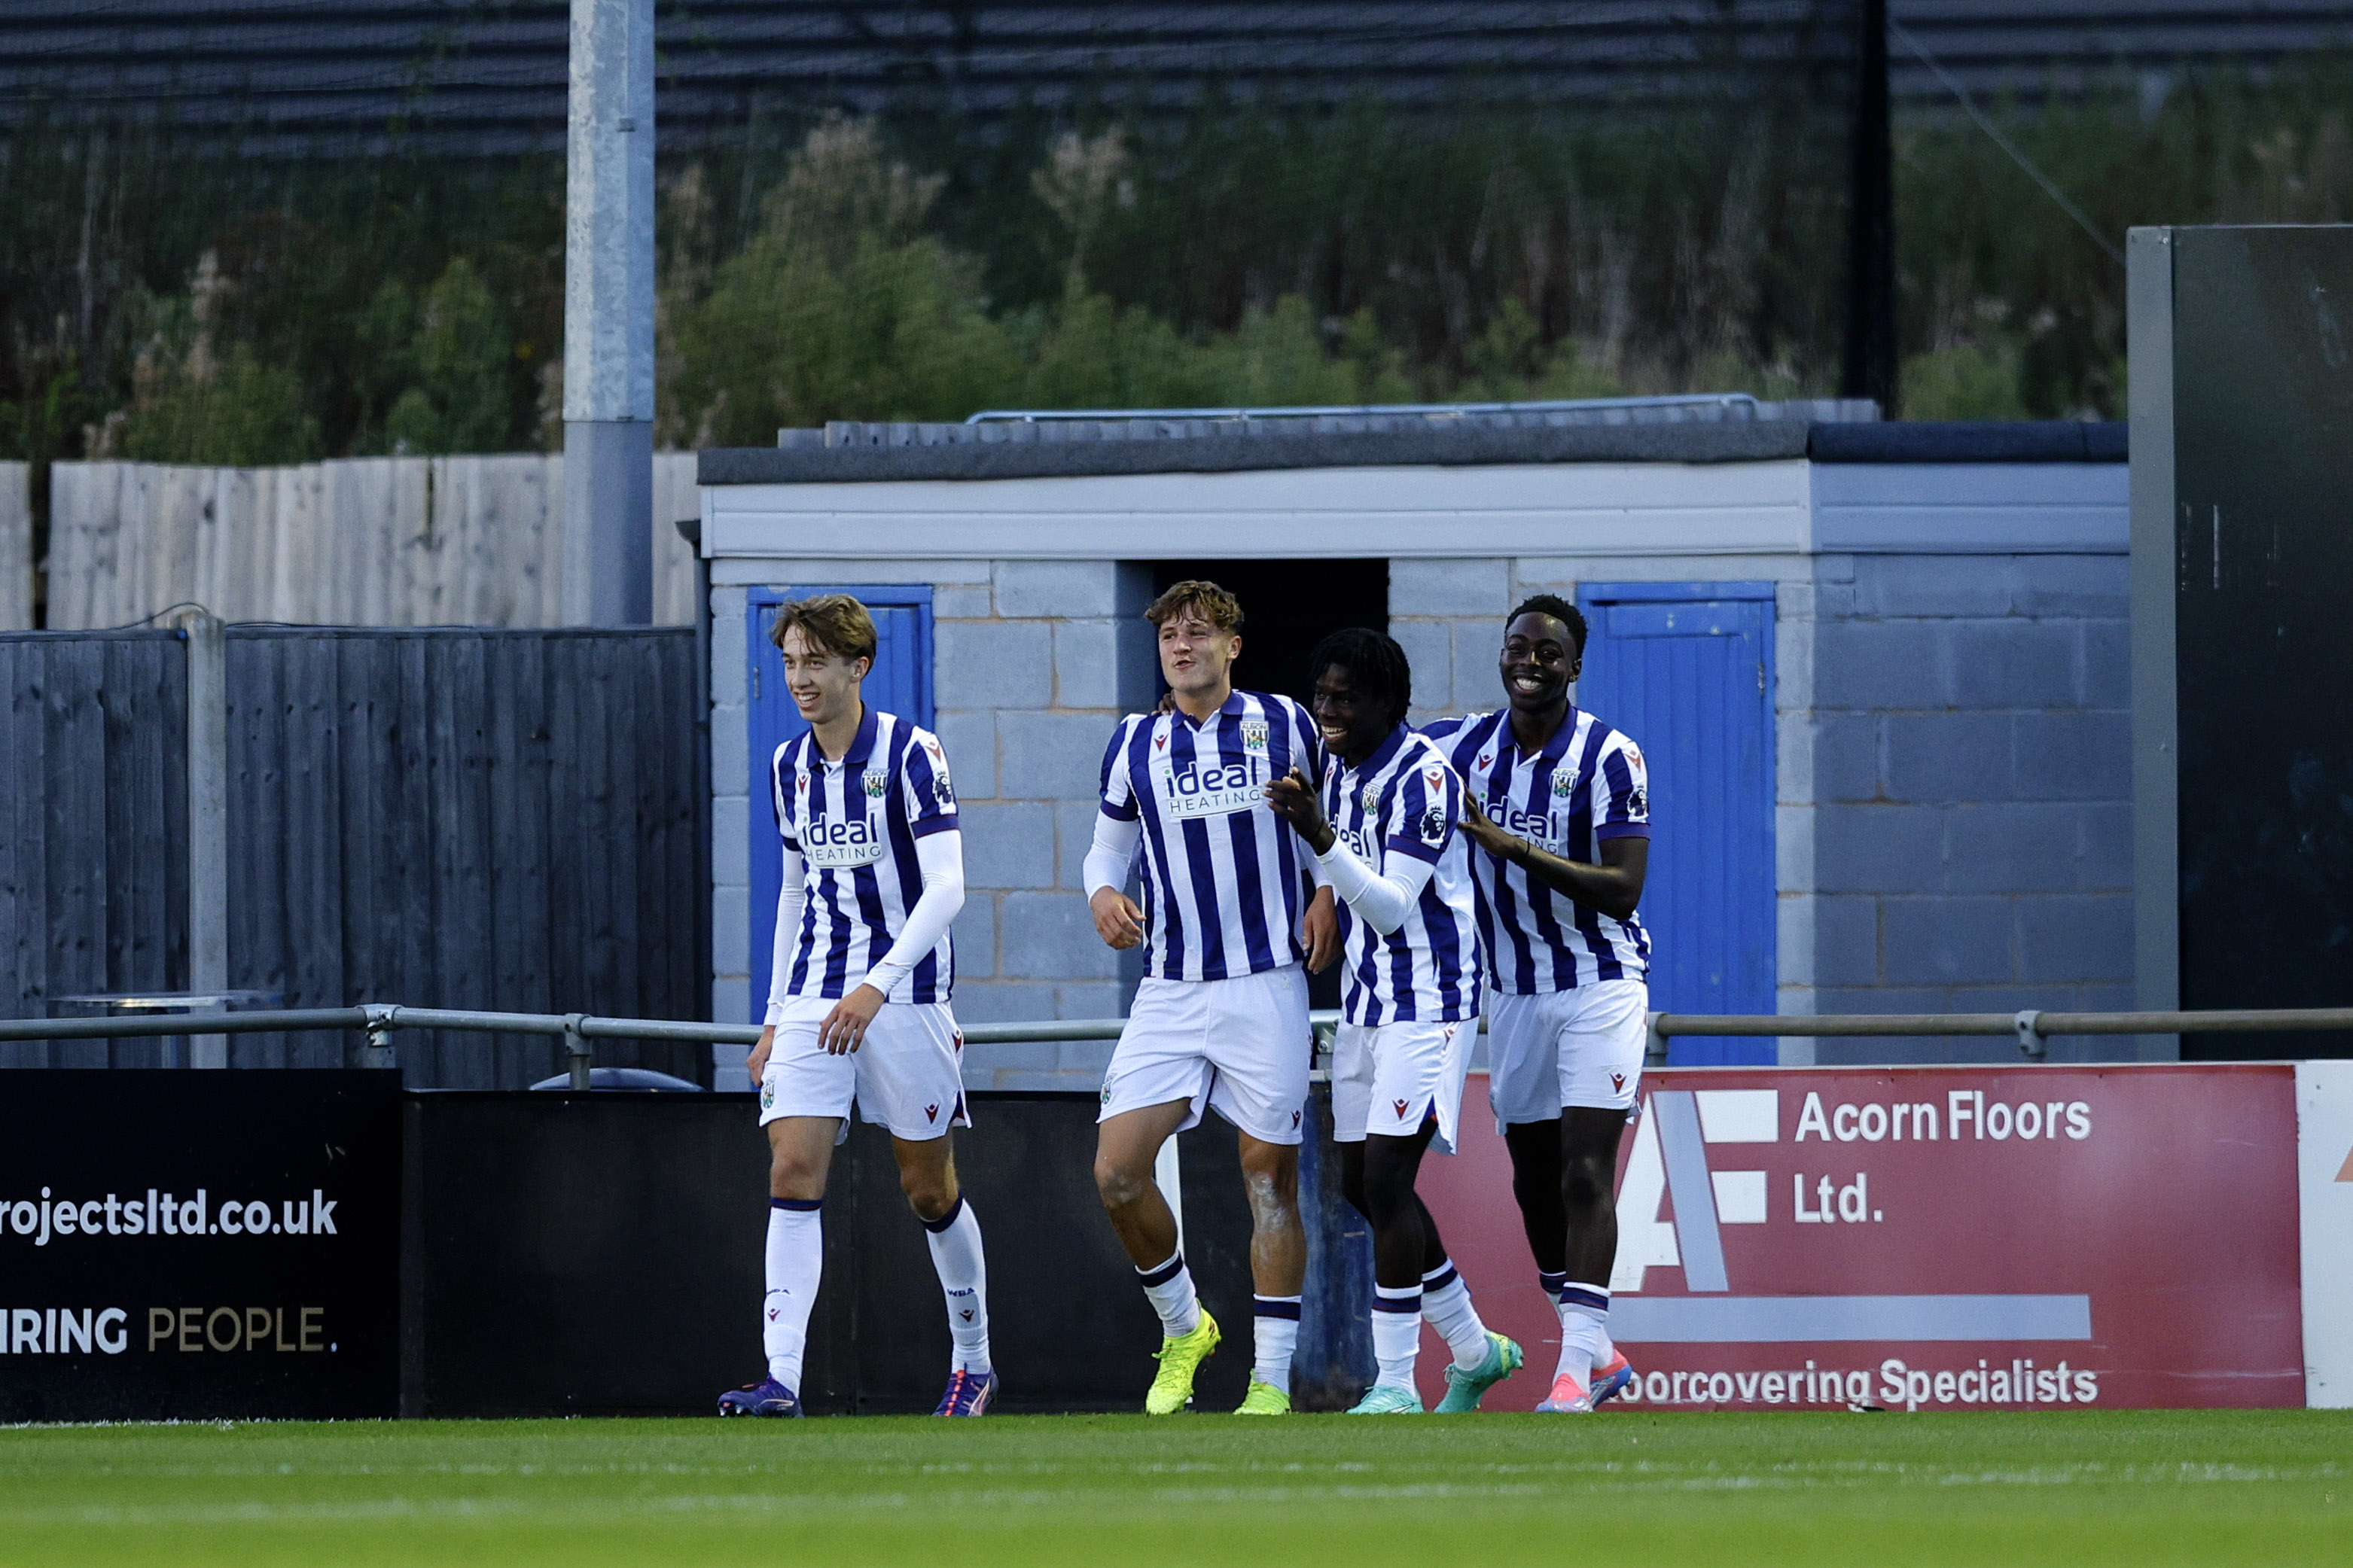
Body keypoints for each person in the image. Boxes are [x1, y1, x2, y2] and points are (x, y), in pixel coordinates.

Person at [718, 594, 995, 1419]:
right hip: (812, 994)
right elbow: (795, 889)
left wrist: (877, 983)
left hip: (903, 993)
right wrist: (775, 1015)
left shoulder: (913, 754)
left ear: (856, 667)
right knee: (792, 1168)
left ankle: (973, 1361)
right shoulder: (784, 766)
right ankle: (782, 1378)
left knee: (927, 1189)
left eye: (815, 663)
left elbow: (947, 886)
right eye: (791, 663)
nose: (799, 679)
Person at [1084, 580, 1340, 1415]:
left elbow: (1336, 824)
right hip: (1169, 987)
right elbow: (1103, 853)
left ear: (1233, 645)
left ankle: (1269, 1378)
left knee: (1266, 1179)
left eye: (1197, 633)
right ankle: (1184, 1323)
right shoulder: (1133, 743)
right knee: (1117, 1172)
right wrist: (1099, 897)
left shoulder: (1287, 724)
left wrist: (1327, 893)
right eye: (1168, 636)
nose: (1180, 646)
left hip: (1265, 981)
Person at [1266, 628, 1521, 1414]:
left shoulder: (1426, 779)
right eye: (1321, 696)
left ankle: (1396, 1384)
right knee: (1357, 1186)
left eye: (1344, 698)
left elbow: (1386, 906)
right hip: (1366, 1002)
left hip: (1432, 1001)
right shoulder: (1338, 774)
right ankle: (1477, 1352)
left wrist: (1317, 837)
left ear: (1387, 702)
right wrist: (1319, 881)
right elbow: (1340, 873)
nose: (1327, 711)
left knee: (1385, 1177)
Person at [1423, 594, 1649, 1414]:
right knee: (1532, 1184)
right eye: (1517, 647)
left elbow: (1624, 889)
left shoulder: (1609, 754)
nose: (1528, 662)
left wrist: (1514, 846)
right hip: (1512, 995)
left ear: (1573, 667)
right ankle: (1602, 1354)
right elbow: (1374, 746)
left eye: (1547, 653)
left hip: (1599, 984)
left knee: (1586, 1174)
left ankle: (1569, 1376)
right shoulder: (1462, 745)